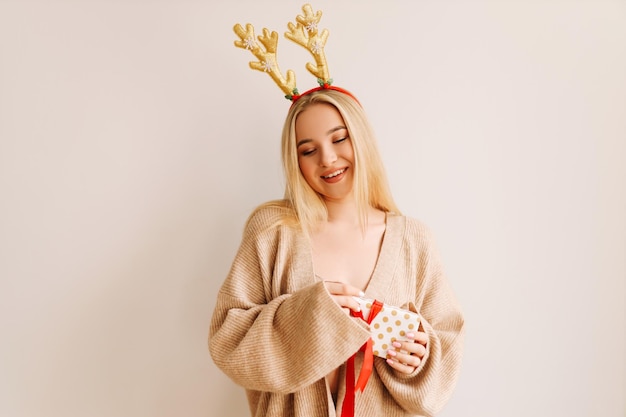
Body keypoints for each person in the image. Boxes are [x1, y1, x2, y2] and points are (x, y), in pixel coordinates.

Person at [209, 88, 465, 417]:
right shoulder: (272, 232)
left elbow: (446, 350)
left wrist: (419, 359)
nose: (327, 159)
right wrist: (306, 314)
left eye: (339, 139)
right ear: (294, 160)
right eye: (307, 150)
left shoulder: (414, 241)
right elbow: (227, 341)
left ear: (361, 139)